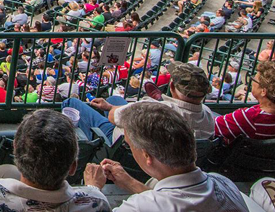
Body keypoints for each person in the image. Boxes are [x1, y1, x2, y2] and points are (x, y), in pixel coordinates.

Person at [83, 102, 247, 212]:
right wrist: (130, 183)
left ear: (147, 155)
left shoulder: (138, 208)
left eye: (129, 145)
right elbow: (172, 199)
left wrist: (93, 191)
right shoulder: (225, 184)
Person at [62, 62, 216, 142]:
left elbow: (113, 117)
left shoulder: (156, 109)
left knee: (71, 103)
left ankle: (88, 144)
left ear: (172, 87)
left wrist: (111, 109)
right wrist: (109, 106)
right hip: (154, 142)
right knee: (114, 99)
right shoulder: (208, 115)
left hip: (122, 140)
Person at [215, 58, 275, 143]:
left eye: (254, 79)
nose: (252, 82)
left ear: (263, 91)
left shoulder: (249, 117)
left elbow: (211, 126)